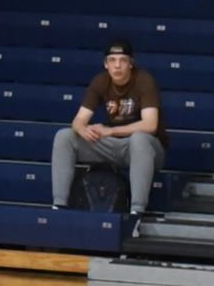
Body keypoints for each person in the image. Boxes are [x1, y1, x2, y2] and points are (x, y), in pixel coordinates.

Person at [50, 39, 168, 216]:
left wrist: (110, 131)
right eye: (112, 60)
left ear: (131, 63)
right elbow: (78, 119)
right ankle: (59, 206)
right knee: (64, 136)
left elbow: (150, 125)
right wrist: (82, 128)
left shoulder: (144, 80)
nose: (117, 65)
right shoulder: (100, 81)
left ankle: (137, 211)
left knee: (139, 139)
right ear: (106, 64)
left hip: (147, 149)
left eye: (123, 60)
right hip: (114, 146)